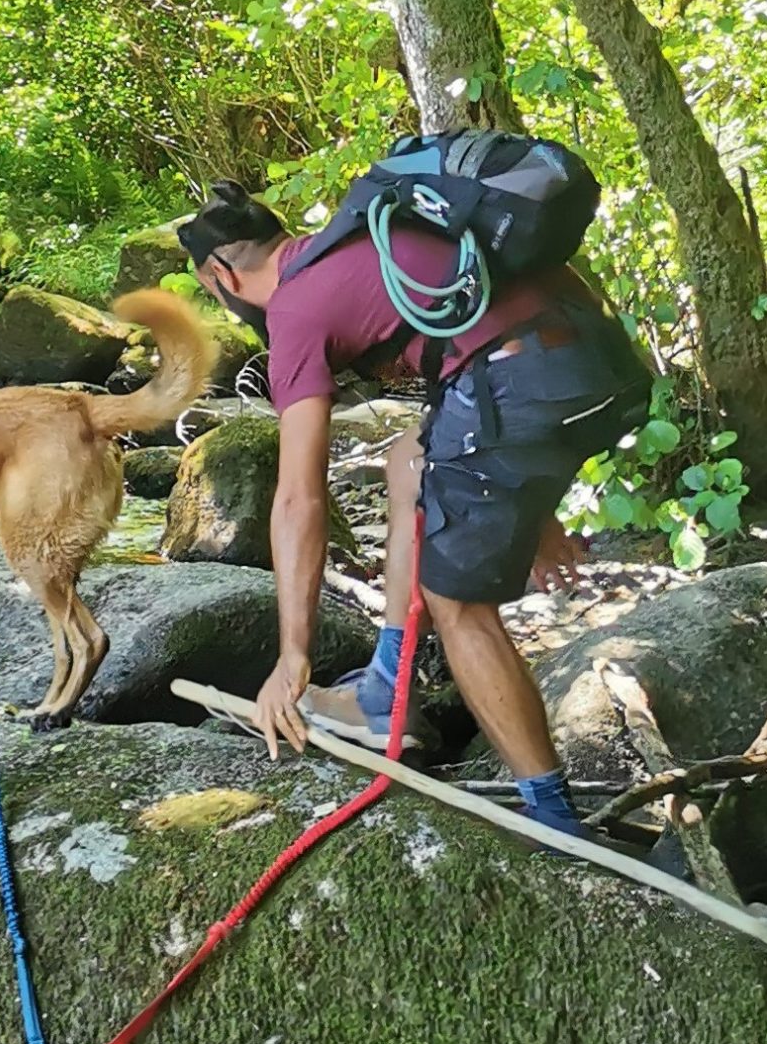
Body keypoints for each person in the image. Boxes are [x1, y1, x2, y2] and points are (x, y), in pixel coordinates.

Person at [176, 180, 649, 837]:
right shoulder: (359, 240)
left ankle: (554, 818)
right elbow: (497, 324)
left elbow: (298, 497)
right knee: (408, 459)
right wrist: (534, 509)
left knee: (457, 604)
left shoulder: (296, 309)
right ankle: (384, 691)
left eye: (209, 290)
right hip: (601, 365)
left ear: (223, 272)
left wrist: (292, 658)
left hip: (518, 382)